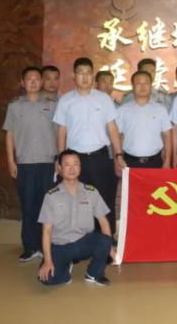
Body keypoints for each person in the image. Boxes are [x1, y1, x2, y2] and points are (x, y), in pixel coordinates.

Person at [53, 57, 124, 235]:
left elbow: (112, 128)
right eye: (80, 73)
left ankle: (106, 242)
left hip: (100, 158)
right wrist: (60, 159)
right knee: (77, 202)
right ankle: (81, 240)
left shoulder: (103, 99)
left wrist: (118, 155)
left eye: (88, 73)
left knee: (104, 201)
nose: (84, 77)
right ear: (73, 76)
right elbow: (61, 131)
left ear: (93, 76)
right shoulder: (65, 101)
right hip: (75, 161)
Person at [37, 150, 116, 286]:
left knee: (104, 240)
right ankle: (64, 268)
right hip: (60, 246)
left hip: (84, 242)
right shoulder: (51, 196)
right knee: (48, 279)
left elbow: (103, 221)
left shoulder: (91, 192)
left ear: (80, 167)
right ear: (60, 168)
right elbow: (47, 231)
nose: (72, 168)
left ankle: (94, 273)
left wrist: (109, 248)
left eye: (75, 164)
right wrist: (48, 261)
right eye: (67, 165)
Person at [3, 66, 57, 263]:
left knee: (47, 206)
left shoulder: (52, 105)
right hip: (25, 163)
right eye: (29, 79)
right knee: (28, 205)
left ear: (41, 82)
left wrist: (59, 159)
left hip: (47, 163)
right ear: (22, 82)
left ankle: (46, 246)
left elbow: (59, 132)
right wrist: (11, 161)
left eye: (36, 78)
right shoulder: (15, 106)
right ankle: (30, 247)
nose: (33, 82)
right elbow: (9, 134)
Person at [116, 71, 172, 168]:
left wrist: (167, 161)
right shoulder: (122, 110)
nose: (142, 86)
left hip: (155, 161)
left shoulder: (160, 110)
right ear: (133, 86)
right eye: (138, 83)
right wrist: (117, 160)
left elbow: (167, 136)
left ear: (151, 86)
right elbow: (118, 137)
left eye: (146, 83)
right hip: (129, 162)